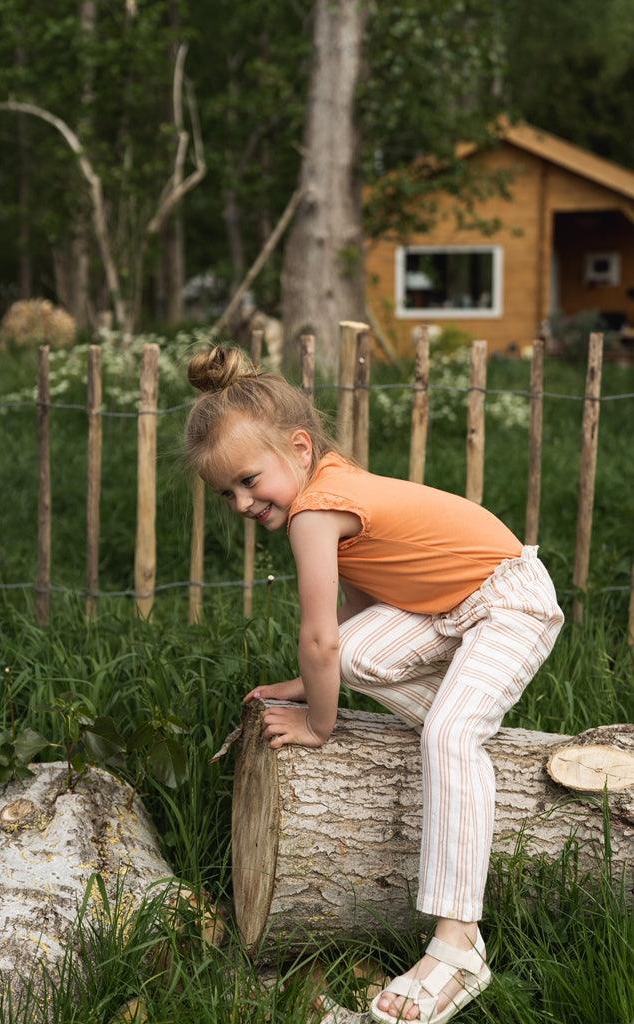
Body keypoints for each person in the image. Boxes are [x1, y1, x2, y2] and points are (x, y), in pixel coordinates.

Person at [183, 345, 564, 1024]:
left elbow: (319, 634)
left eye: (247, 480)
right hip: (449, 611)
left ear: (298, 448)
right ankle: (464, 738)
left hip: (508, 601)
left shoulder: (312, 511)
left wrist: (318, 723)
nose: (241, 503)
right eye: (226, 493)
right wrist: (310, 682)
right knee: (358, 660)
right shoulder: (329, 480)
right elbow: (354, 623)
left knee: (446, 731)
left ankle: (458, 945)